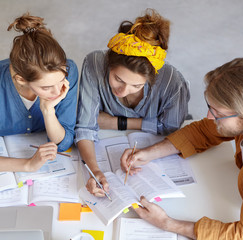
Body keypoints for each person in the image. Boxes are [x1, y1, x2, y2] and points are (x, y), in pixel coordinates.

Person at [120, 58, 243, 239]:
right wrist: (149, 153)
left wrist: (167, 223)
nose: (210, 117)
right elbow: (205, 130)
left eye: (217, 113)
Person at [75, 9, 190, 197]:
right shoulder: (95, 63)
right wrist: (95, 171)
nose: (123, 91)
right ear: (109, 65)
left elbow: (171, 127)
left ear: (151, 78)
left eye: (136, 85)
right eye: (118, 79)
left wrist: (116, 122)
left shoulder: (172, 80)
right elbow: (85, 127)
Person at [0, 13, 79, 172]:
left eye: (61, 81)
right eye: (45, 87)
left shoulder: (70, 70)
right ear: (21, 80)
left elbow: (64, 143)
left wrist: (48, 112)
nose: (58, 92)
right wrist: (27, 165)